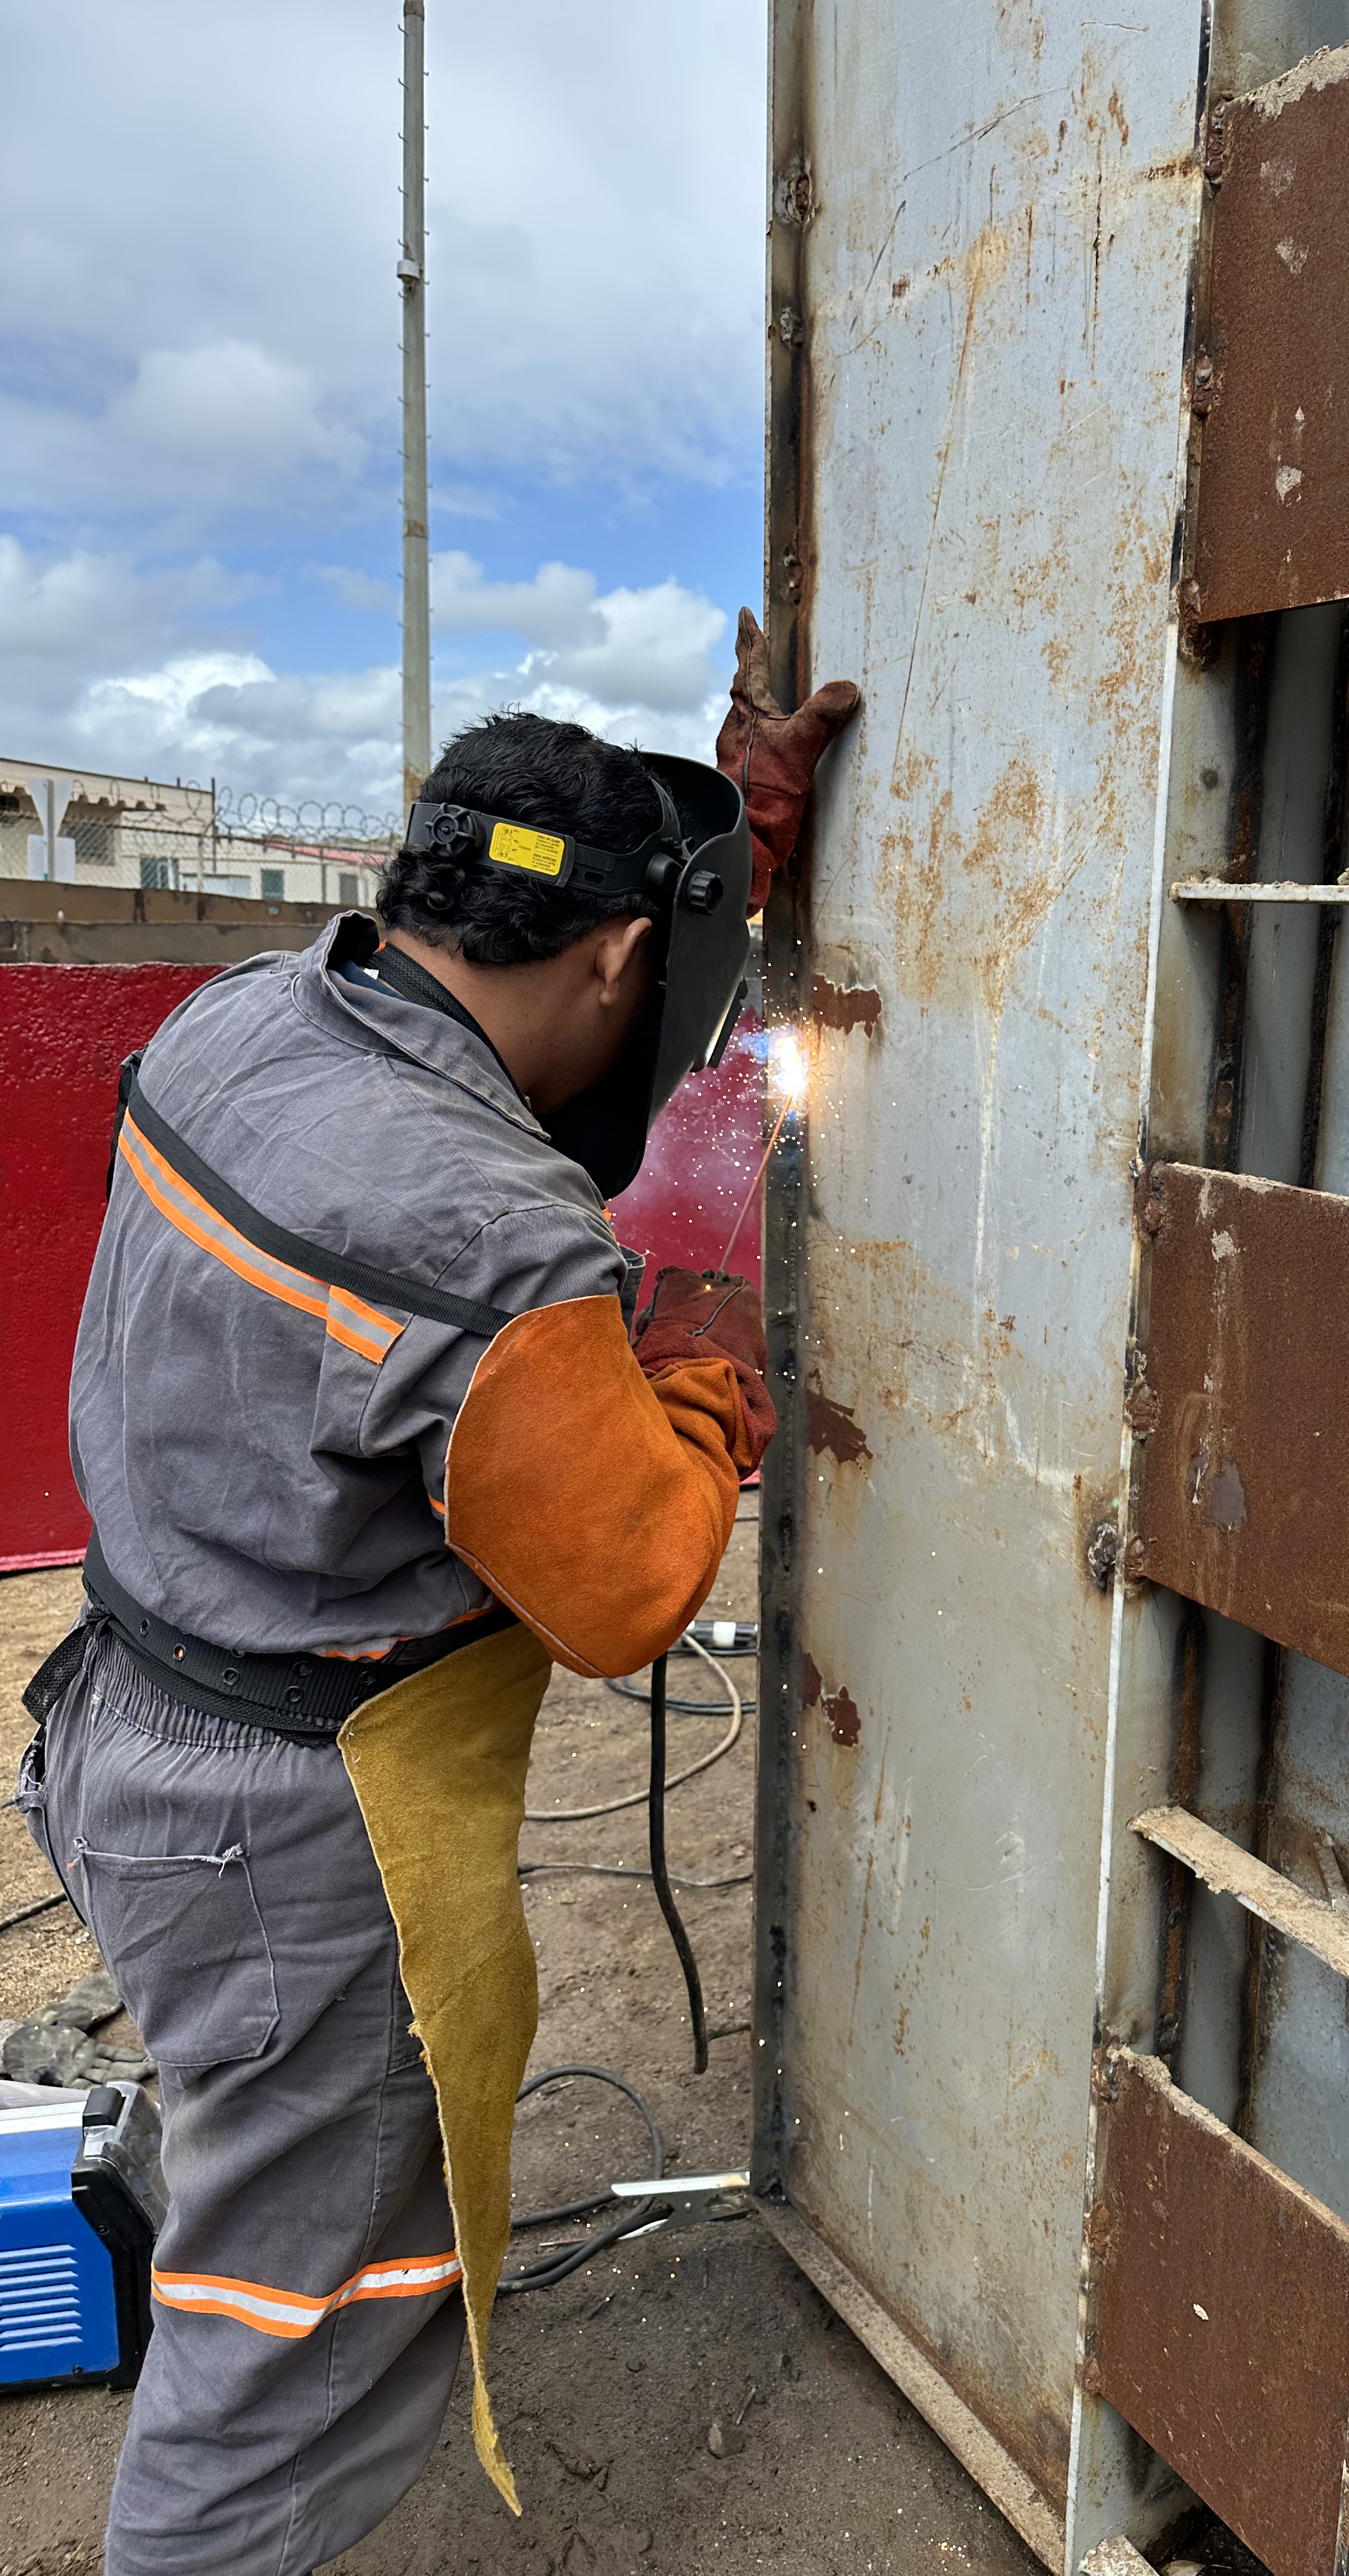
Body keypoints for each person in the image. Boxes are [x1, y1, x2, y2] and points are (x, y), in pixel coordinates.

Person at [15, 614, 857, 2576]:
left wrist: (731, 838)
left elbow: (566, 986)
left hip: (133, 1721)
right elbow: (634, 1583)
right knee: (287, 2326)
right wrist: (706, 1372)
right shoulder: (477, 1222)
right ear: (618, 958)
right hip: (289, 1842)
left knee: (269, 2198)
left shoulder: (245, 1015)